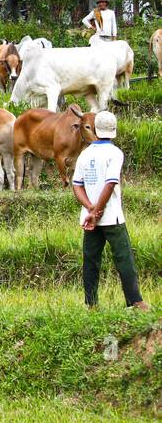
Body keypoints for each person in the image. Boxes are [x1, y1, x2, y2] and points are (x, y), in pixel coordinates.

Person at [72, 112, 149, 310]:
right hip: (111, 217)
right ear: (114, 131)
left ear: (95, 130)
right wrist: (98, 210)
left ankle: (91, 304)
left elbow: (77, 186)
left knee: (90, 261)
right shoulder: (115, 153)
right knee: (124, 257)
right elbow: (110, 184)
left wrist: (89, 208)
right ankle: (135, 301)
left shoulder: (85, 154)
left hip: (89, 219)